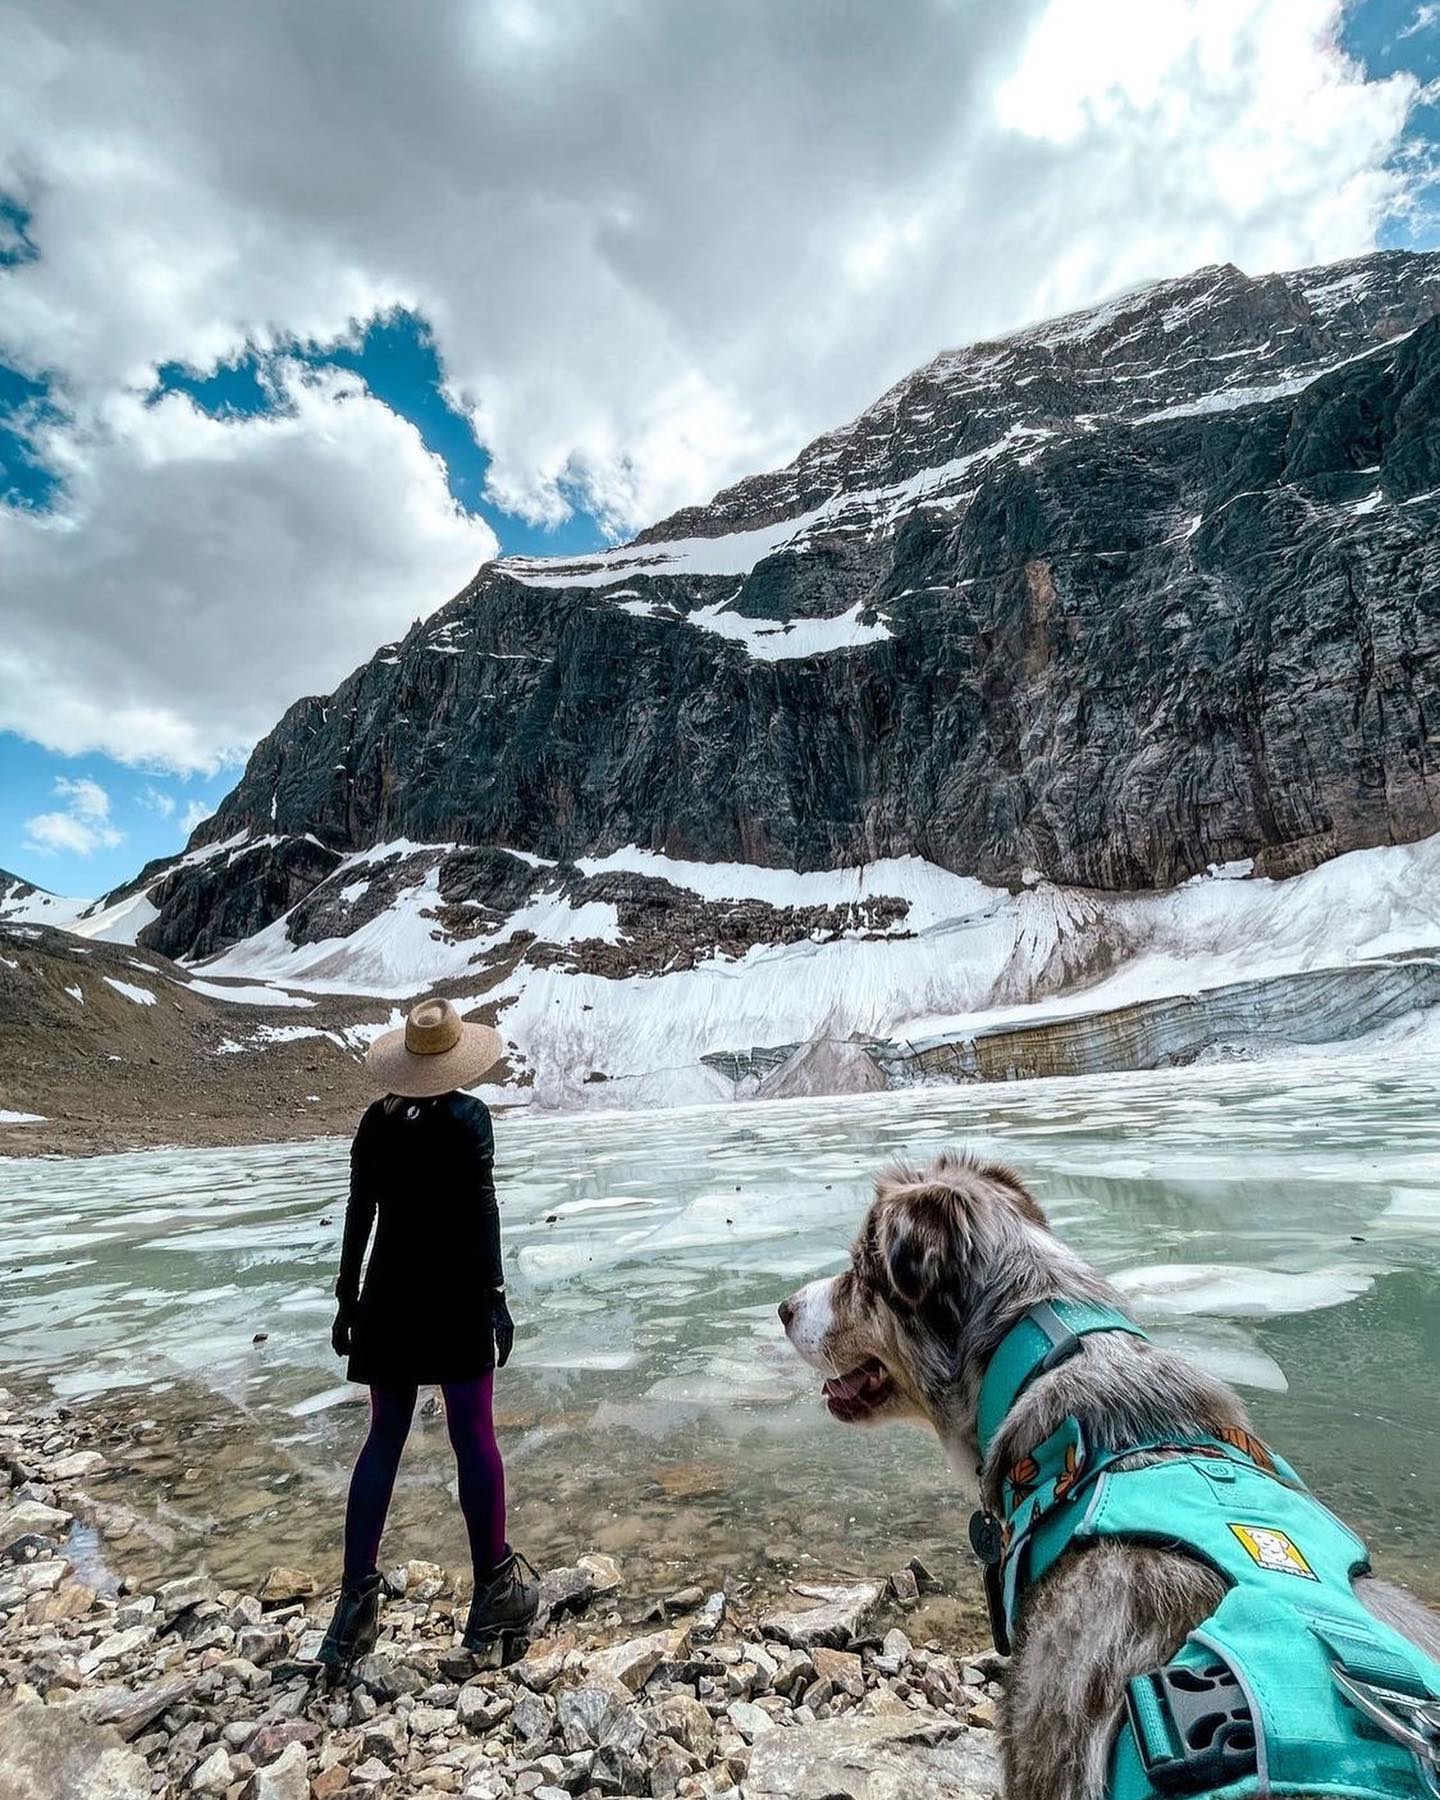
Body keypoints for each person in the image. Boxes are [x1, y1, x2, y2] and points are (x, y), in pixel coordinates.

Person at [315, 997, 538, 1675]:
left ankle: (353, 1607)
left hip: (388, 1299)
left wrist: (347, 1298)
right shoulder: (469, 1118)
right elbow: (482, 1210)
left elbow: (361, 1211)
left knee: (384, 1436)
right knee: (473, 1436)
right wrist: (497, 1298)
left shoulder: (374, 1124)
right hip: (455, 1296)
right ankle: (494, 1589)